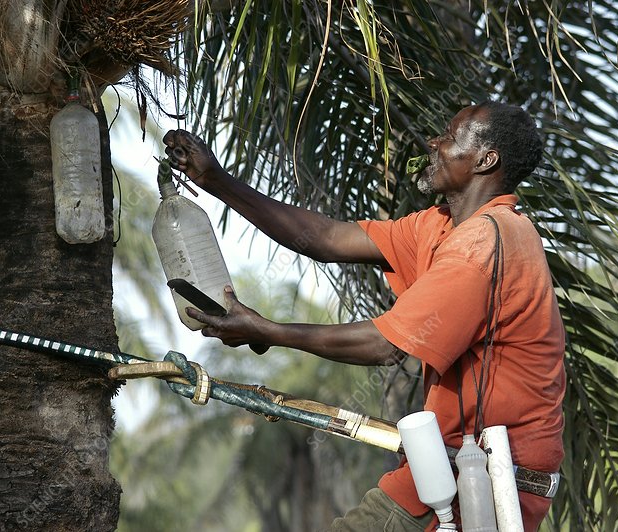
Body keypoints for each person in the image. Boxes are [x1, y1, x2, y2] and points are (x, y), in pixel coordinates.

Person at [163, 102, 566, 532]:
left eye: (450, 136)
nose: (434, 143)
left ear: (486, 160)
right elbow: (325, 238)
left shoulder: (486, 242)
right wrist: (213, 179)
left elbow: (385, 346)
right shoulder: (441, 227)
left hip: (482, 480)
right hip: (457, 472)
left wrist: (268, 331)